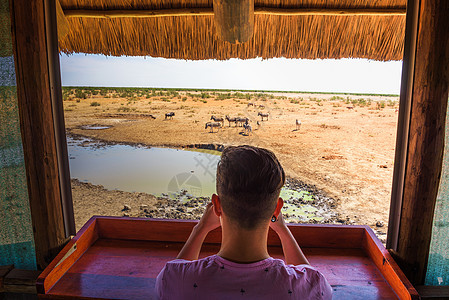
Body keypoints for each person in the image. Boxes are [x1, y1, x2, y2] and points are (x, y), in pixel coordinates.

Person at [156, 145, 332, 299]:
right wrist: (283, 231)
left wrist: (200, 229)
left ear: (217, 206)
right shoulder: (310, 287)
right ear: (277, 209)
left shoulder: (174, 279)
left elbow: (177, 270)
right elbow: (308, 275)